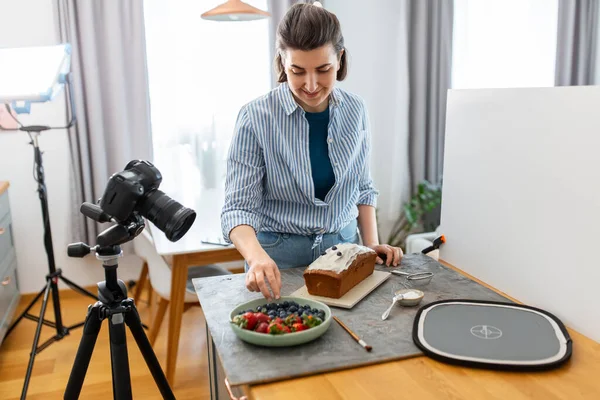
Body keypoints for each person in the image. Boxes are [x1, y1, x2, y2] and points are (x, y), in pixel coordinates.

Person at [221, 2, 403, 301]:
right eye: (297, 70)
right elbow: (237, 208)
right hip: (278, 261)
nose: (311, 84)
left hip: (346, 256)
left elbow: (362, 188)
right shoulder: (256, 117)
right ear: (282, 62)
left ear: (340, 59)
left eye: (323, 69)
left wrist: (371, 246)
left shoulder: (356, 110)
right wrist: (256, 258)